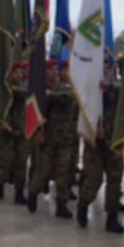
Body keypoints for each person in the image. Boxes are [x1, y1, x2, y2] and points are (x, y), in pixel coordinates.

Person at [77, 57, 124, 233]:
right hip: (95, 143)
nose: (104, 70)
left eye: (106, 67)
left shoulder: (115, 88)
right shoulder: (88, 90)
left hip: (114, 141)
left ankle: (112, 218)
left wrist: (109, 87)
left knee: (115, 180)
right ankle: (83, 205)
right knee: (94, 180)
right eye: (100, 67)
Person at [27, 60, 78, 219]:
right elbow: (32, 113)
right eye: (50, 69)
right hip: (47, 139)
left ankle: (61, 204)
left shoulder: (65, 88)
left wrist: (50, 95)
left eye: (56, 69)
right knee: (43, 171)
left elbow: (69, 98)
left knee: (63, 173)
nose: (54, 72)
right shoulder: (38, 91)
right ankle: (33, 193)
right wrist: (36, 133)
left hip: (65, 138)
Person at [0, 62, 30, 205]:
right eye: (16, 72)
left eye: (21, 72)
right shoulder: (6, 90)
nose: (19, 75)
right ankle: (0, 183)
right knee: (7, 163)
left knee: (21, 163)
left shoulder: (27, 87)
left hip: (22, 132)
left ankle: (19, 193)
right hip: (8, 132)